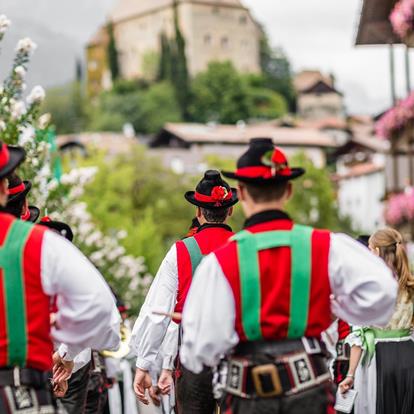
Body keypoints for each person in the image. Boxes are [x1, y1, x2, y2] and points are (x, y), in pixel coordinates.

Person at [180, 138, 398, 414]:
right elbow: (384, 292)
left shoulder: (220, 262)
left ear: (243, 193)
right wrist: (333, 307)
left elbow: (199, 350)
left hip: (247, 393)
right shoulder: (327, 245)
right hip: (308, 387)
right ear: (289, 190)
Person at [0, 141, 121, 413]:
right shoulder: (40, 244)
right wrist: (67, 351)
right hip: (17, 390)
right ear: (6, 189)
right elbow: (103, 312)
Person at [132, 170, 238, 413]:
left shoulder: (180, 251)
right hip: (238, 359)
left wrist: (144, 364)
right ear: (230, 210)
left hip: (194, 361)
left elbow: (157, 312)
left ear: (198, 212)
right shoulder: (244, 248)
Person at [339, 228, 414, 414]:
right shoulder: (411, 287)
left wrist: (350, 374)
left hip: (378, 358)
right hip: (409, 354)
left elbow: (359, 336)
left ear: (377, 252)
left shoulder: (371, 288)